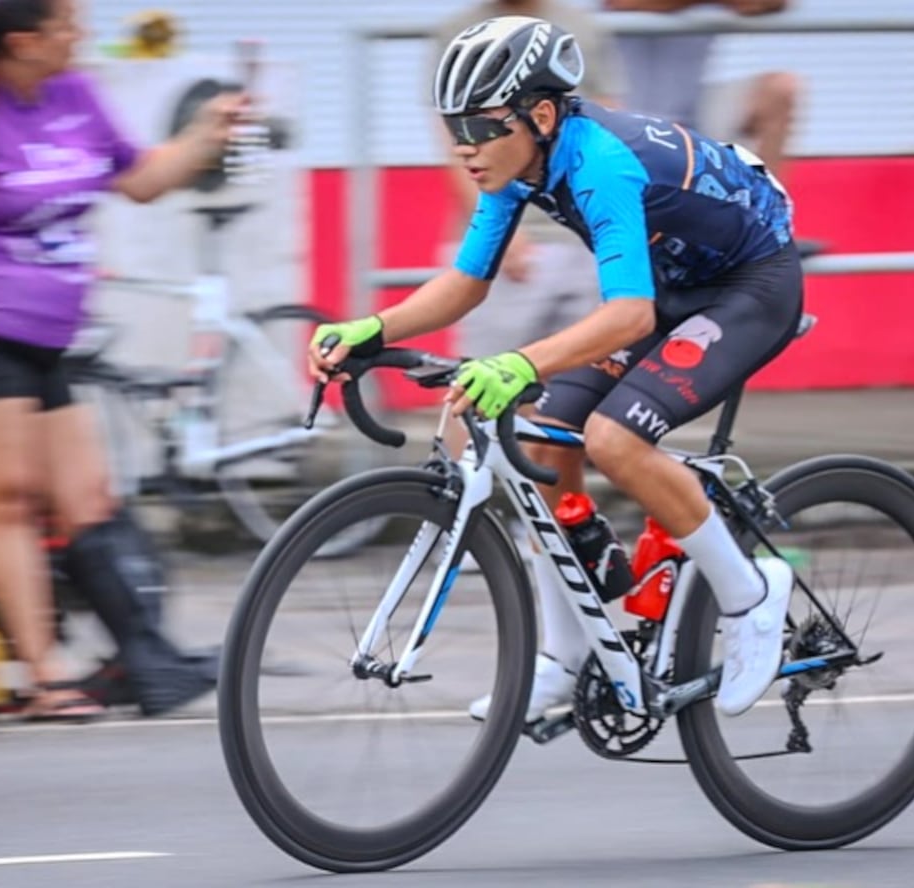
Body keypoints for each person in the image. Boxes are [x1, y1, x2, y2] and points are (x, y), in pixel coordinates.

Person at [309, 15, 802, 722]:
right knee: (539, 436)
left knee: (614, 439)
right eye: (454, 128)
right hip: (673, 287)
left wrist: (516, 361)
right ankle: (566, 659)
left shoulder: (600, 163)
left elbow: (630, 316)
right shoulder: (516, 166)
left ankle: (751, 595)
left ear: (539, 114)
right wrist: (371, 327)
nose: (463, 148)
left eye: (479, 127)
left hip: (749, 285)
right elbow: (467, 283)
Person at [0, 0, 233, 720]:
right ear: (22, 41)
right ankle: (43, 676)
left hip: (47, 333)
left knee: (89, 498)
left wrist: (205, 135)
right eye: (67, 26)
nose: (80, 36)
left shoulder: (73, 95)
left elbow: (138, 179)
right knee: (7, 495)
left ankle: (135, 659)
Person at [431, 0, 625, 360]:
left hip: (579, 237)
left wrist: (603, 226)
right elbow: (456, 143)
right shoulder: (460, 33)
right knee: (478, 394)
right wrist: (500, 231)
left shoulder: (581, 27)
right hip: (507, 241)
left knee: (575, 397)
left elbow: (606, 126)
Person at [606, 0, 798, 180]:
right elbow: (623, 2)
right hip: (620, 111)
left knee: (778, 88)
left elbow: (772, 2)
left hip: (693, 109)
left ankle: (766, 209)